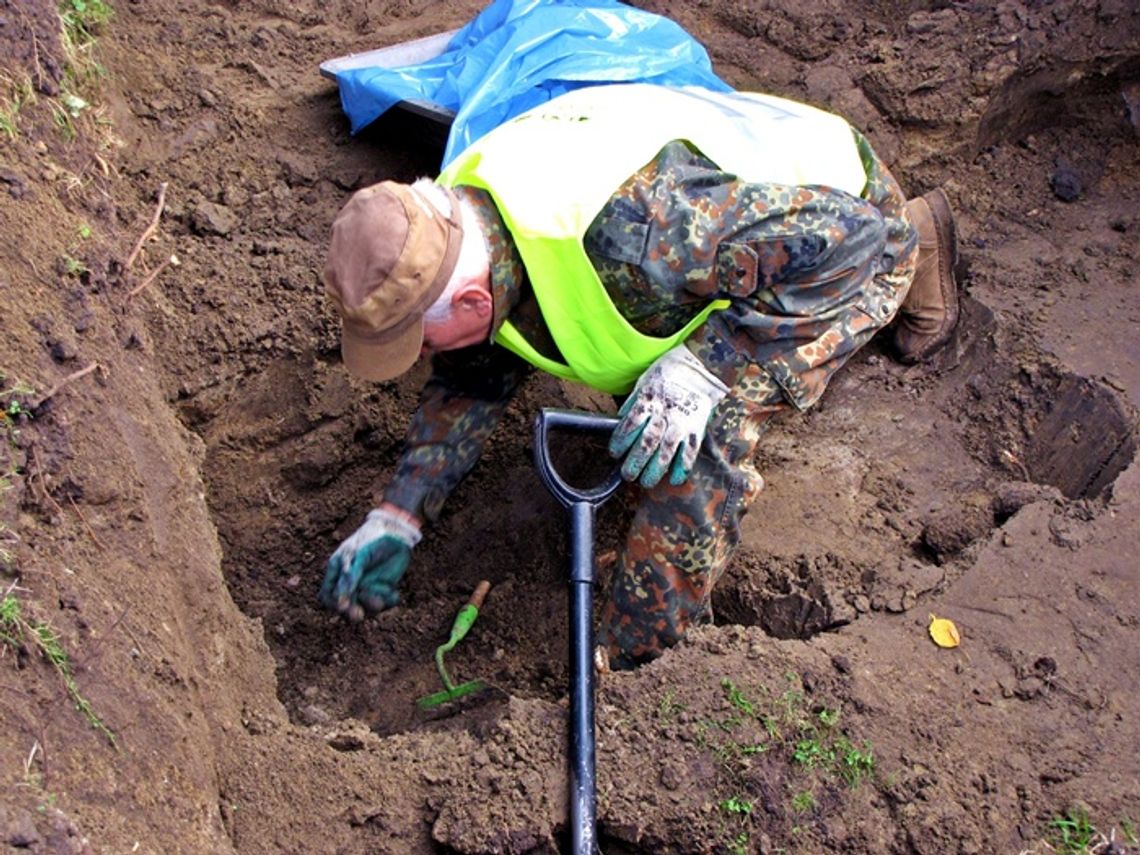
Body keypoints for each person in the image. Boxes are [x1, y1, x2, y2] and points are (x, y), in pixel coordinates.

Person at [318, 83, 959, 670]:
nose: (421, 356)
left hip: (853, 230)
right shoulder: (452, 221)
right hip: (733, 216)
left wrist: (706, 368)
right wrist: (398, 515)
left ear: (471, 301)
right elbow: (473, 375)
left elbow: (849, 237)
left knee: (695, 431)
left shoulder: (643, 235)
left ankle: (642, 659)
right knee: (630, 362)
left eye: (420, 340)